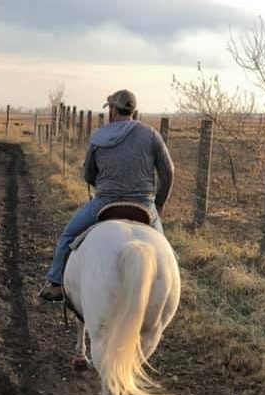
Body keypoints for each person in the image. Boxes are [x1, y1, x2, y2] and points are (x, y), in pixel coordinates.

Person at [39, 89, 174, 302]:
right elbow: (168, 172)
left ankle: (55, 283)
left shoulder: (99, 137)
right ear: (133, 111)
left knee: (67, 237)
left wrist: (102, 184)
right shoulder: (151, 134)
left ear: (112, 110)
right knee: (167, 254)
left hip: (104, 203)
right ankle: (172, 292)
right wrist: (159, 202)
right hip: (144, 205)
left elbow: (89, 174)